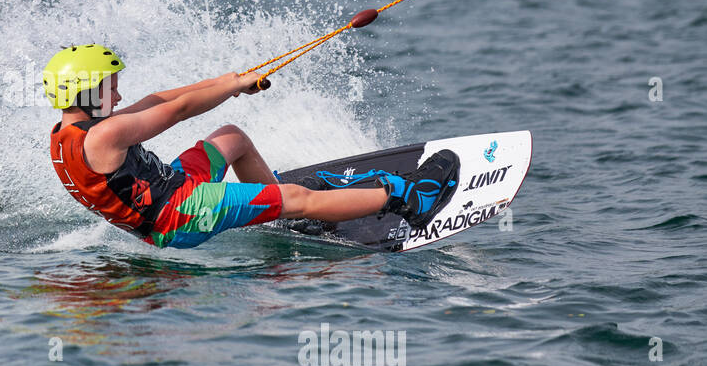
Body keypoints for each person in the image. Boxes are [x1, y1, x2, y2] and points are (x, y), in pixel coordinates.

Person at [44, 44, 457, 249]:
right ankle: (408, 198)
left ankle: (281, 216)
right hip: (179, 216)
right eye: (110, 90)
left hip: (170, 190)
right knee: (297, 196)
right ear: (88, 92)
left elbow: (158, 99)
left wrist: (231, 82)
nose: (117, 98)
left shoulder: (72, 132)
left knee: (231, 137)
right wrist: (232, 88)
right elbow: (178, 111)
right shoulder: (104, 135)